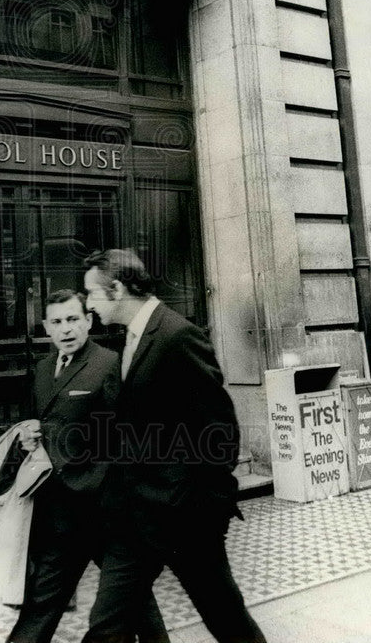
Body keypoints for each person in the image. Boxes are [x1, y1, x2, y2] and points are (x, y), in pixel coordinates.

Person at [81, 250, 268, 643]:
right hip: (135, 518)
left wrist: (206, 509)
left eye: (92, 295)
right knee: (107, 625)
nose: (89, 305)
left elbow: (220, 432)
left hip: (186, 519)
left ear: (116, 290)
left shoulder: (177, 335)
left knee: (227, 620)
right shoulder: (129, 339)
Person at [7, 289, 170, 643]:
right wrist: (27, 439)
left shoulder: (111, 364)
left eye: (73, 320)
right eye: (57, 322)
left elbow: (132, 438)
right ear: (47, 327)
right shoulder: (40, 371)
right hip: (61, 514)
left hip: (108, 509)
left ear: (88, 321)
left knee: (136, 601)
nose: (66, 329)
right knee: (41, 604)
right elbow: (30, 427)